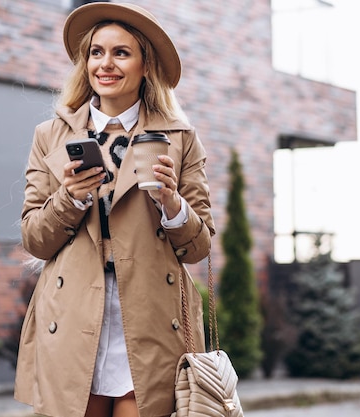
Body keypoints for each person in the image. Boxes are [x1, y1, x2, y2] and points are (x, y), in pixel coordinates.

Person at [14, 3, 215, 417]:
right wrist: (68, 198)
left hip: (149, 320)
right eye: (96, 52)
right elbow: (34, 237)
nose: (105, 64)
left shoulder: (179, 138)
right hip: (72, 316)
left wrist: (172, 203)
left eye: (121, 53)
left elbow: (199, 247)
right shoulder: (50, 136)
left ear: (146, 65)